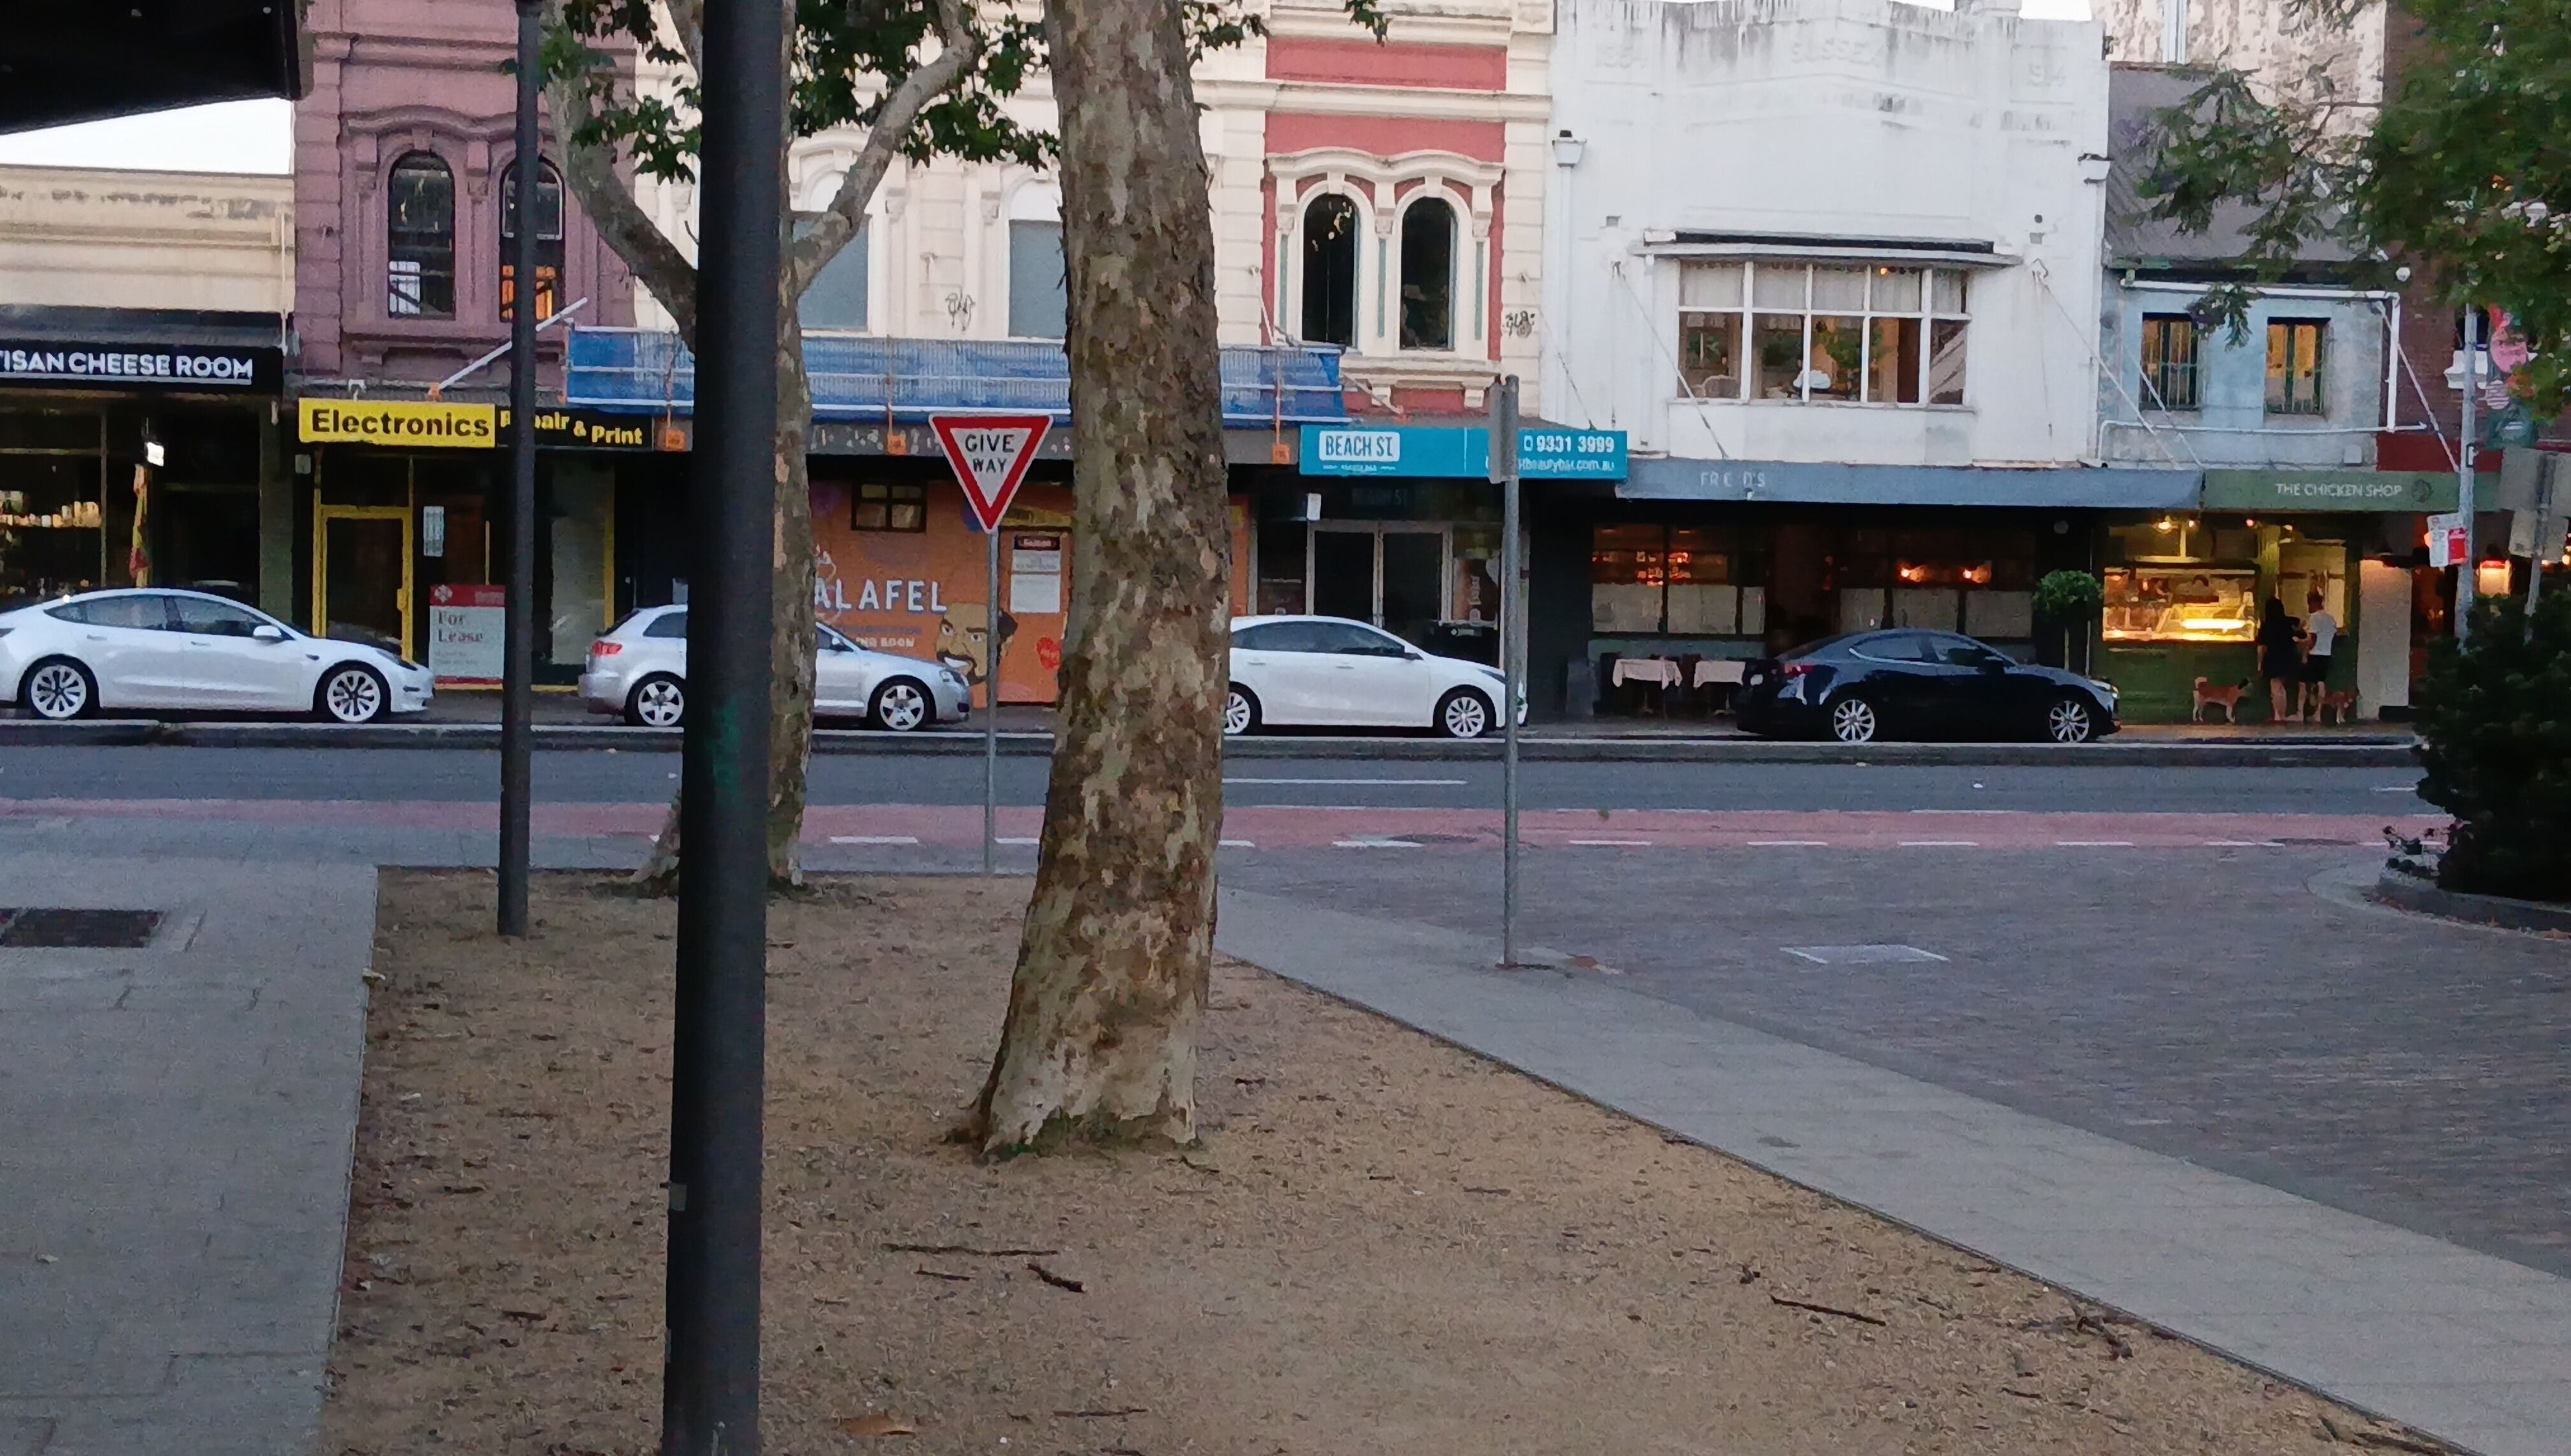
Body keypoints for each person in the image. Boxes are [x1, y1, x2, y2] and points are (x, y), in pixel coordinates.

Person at [2258, 596, 2301, 724]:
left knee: (2276, 688)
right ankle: (2283, 713)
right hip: (2288, 657)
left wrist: (2260, 666)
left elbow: (2262, 648)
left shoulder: (2266, 626)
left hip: (2273, 659)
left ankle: (2279, 714)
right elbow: (2300, 630)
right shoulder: (2289, 622)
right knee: (2284, 687)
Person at [2297, 589, 2339, 722]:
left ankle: (2302, 713)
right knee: (2322, 684)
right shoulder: (2330, 618)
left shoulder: (2315, 617)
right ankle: (2320, 713)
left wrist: (2302, 645)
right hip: (2327, 654)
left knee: (2305, 684)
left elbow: (2313, 638)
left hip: (2315, 654)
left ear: (2313, 603)